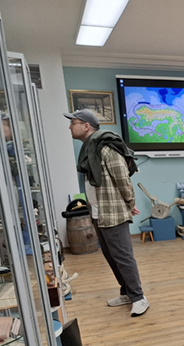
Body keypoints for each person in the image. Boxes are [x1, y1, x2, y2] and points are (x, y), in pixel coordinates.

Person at [64, 109, 149, 317]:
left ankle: (139, 297)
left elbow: (122, 178)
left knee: (123, 256)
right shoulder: (89, 148)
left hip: (112, 212)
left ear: (86, 126)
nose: (70, 127)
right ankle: (127, 293)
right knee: (111, 256)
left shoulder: (106, 148)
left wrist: (129, 202)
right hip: (98, 212)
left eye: (73, 123)